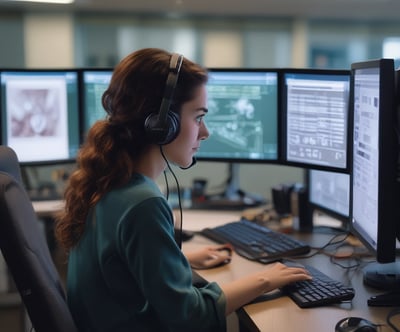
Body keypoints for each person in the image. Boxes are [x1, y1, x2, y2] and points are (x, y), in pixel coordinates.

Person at [55, 47, 311, 332]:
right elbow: (189, 316)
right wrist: (264, 279)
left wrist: (178, 259)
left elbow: (116, 268)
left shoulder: (109, 182)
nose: (205, 132)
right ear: (162, 123)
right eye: (198, 117)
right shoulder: (142, 203)